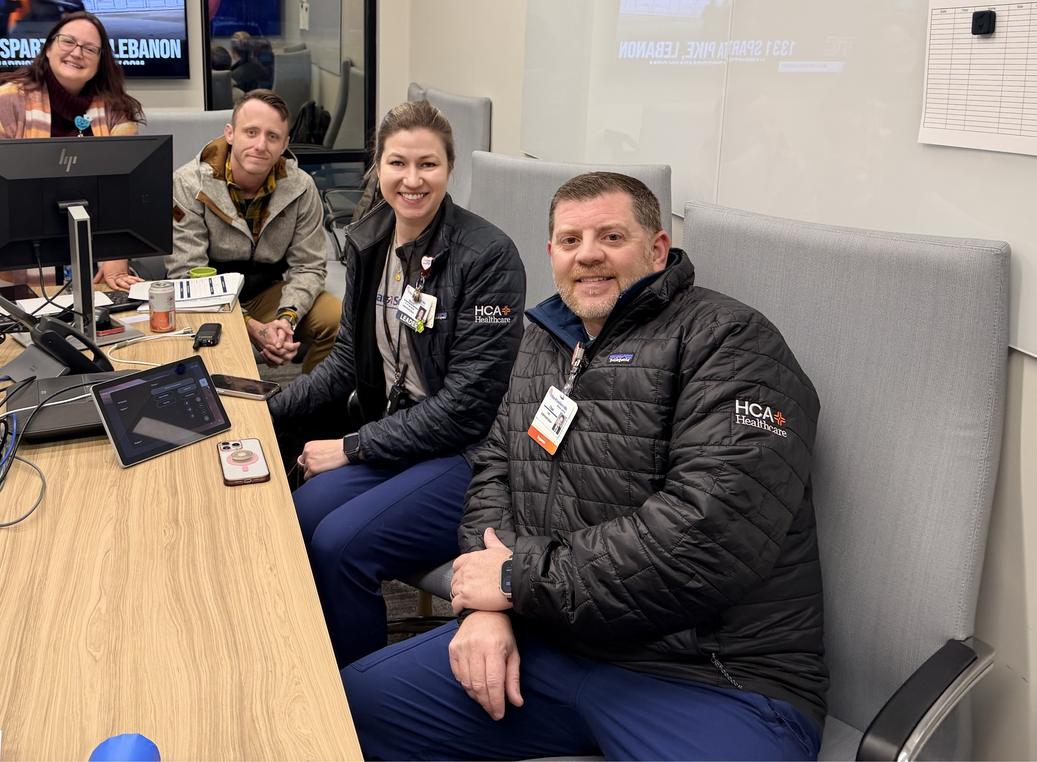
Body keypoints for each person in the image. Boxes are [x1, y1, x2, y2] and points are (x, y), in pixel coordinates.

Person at [341, 172, 828, 761]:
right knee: (352, 712)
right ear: (550, 254)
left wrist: (515, 582)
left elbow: (706, 536)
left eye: (611, 236)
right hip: (553, 641)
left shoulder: (731, 343)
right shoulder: (544, 340)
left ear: (657, 248)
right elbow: (496, 474)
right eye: (570, 240)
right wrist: (484, 610)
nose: (588, 254)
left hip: (709, 675)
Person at [267, 100, 527, 668]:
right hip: (400, 436)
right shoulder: (371, 242)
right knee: (299, 511)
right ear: (377, 167)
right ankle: (311, 665)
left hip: (466, 453)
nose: (412, 180)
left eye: (428, 165)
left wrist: (351, 447)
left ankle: (355, 694)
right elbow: (345, 362)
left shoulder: (488, 256)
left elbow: (467, 407)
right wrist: (267, 416)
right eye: (398, 163)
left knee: (340, 544)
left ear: (450, 170)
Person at [0, 11, 146, 297]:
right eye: (68, 42)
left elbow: (125, 193)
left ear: (100, 62)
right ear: (48, 48)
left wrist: (117, 261)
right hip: (20, 260)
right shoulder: (5, 101)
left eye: (89, 48)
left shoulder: (116, 110)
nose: (76, 52)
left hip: (96, 261)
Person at [169, 89, 340, 373]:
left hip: (267, 291)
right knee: (215, 348)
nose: (261, 145)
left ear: (284, 144)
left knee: (336, 318)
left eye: (272, 136)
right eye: (251, 132)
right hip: (207, 299)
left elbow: (309, 267)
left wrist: (287, 320)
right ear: (230, 133)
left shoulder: (302, 187)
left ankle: (309, 403)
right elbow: (186, 273)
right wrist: (250, 326)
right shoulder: (188, 184)